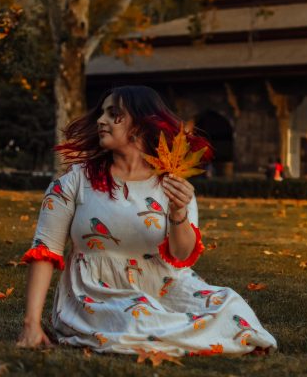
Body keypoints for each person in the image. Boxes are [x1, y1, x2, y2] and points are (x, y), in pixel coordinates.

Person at [16, 85, 277, 356]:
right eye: (102, 113)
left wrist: (179, 213)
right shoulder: (75, 181)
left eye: (114, 114)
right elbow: (45, 252)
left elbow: (181, 255)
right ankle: (195, 336)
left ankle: (185, 332)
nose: (101, 120)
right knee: (136, 316)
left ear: (140, 126)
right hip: (97, 292)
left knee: (230, 305)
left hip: (163, 283)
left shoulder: (172, 184)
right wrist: (31, 324)